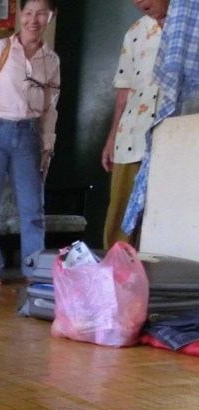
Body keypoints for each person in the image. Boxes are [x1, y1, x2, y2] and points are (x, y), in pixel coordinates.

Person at [0, 0, 60, 287]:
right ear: (20, 15)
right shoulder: (0, 48)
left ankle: (33, 270)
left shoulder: (51, 60)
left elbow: (50, 107)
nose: (34, 20)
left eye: (41, 13)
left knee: (33, 210)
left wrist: (47, 146)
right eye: (28, 13)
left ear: (50, 16)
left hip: (29, 135)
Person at [102, 0, 167, 248]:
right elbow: (124, 90)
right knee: (121, 213)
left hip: (176, 135)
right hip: (132, 135)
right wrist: (111, 139)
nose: (139, 2)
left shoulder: (189, 23)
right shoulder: (135, 32)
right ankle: (116, 277)